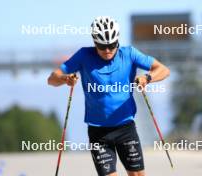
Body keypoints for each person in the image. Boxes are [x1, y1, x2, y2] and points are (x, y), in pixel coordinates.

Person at [48, 16, 170, 176]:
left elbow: (163, 69)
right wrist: (65, 79)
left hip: (125, 128)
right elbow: (52, 79)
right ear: (94, 42)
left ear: (117, 41)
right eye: (102, 46)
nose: (107, 50)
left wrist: (147, 78)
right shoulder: (83, 55)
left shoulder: (129, 53)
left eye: (112, 45)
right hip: (98, 133)